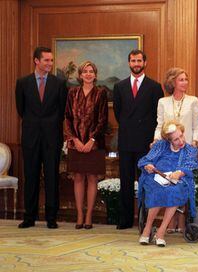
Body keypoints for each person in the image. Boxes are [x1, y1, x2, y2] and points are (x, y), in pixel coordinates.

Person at [15, 46, 68, 229]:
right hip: (30, 138)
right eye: (46, 60)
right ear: (36, 61)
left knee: (52, 177)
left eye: (51, 60)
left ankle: (51, 218)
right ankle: (29, 217)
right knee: (31, 176)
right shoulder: (22, 83)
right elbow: (21, 110)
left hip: (52, 137)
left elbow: (61, 112)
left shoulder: (59, 83)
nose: (50, 63)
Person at [113, 49, 164, 229]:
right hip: (126, 142)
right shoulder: (119, 87)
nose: (136, 64)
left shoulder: (155, 87)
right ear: (129, 63)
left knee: (146, 183)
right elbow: (119, 114)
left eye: (139, 61)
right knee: (125, 182)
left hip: (145, 144)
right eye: (133, 61)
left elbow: (157, 116)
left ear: (145, 63)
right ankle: (125, 220)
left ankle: (144, 221)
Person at [153, 67, 198, 233]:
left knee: (181, 182)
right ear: (172, 82)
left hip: (186, 148)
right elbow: (160, 125)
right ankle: (170, 222)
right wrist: (155, 141)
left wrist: (194, 142)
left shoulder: (193, 100)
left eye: (186, 79)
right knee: (169, 183)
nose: (185, 82)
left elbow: (197, 126)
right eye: (181, 79)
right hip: (168, 150)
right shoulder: (162, 102)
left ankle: (181, 222)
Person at [137, 120, 198, 247]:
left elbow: (192, 165)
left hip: (178, 181)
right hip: (157, 178)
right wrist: (148, 165)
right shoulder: (160, 145)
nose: (181, 141)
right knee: (156, 190)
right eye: (176, 139)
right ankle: (147, 228)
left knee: (174, 191)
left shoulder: (190, 150)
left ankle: (161, 231)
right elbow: (145, 160)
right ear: (169, 141)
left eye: (181, 136)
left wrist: (180, 172)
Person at [64, 61, 108, 229]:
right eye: (85, 71)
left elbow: (103, 120)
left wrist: (92, 141)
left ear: (95, 75)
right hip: (76, 143)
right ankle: (79, 215)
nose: (88, 74)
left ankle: (89, 215)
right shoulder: (72, 93)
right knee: (78, 177)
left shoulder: (101, 93)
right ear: (80, 75)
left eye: (91, 71)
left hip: (94, 145)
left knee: (92, 178)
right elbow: (67, 118)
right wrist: (74, 139)